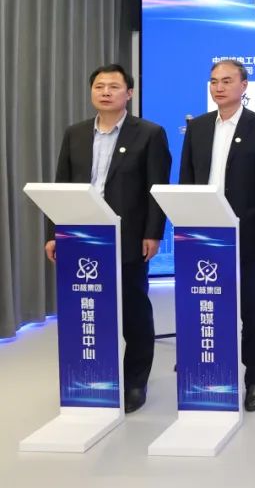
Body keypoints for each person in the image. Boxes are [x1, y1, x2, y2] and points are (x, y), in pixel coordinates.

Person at [45, 64, 171, 414]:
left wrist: (153, 233)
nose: (105, 92)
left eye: (114, 86)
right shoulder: (75, 133)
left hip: (128, 236)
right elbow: (61, 185)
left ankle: (135, 382)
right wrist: (55, 233)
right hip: (81, 236)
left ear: (128, 94)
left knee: (133, 312)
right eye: (99, 86)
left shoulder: (149, 133)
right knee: (88, 309)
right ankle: (92, 376)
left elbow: (156, 188)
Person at [179, 59, 255, 412]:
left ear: (244, 86)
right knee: (206, 303)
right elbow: (187, 180)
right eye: (214, 81)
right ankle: (207, 369)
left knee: (252, 310)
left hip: (247, 232)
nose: (219, 87)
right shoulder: (197, 127)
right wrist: (186, 225)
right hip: (204, 232)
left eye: (226, 81)